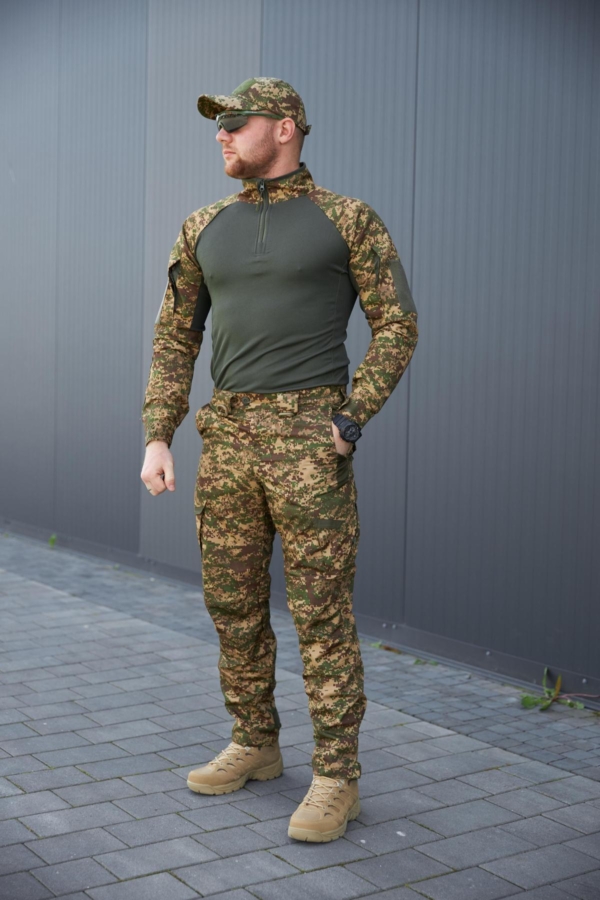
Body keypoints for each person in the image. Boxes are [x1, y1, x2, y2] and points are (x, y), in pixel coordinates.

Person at [141, 77, 418, 843]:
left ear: (286, 126)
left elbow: (397, 323)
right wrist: (159, 433)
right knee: (231, 604)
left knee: (321, 612)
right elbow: (175, 337)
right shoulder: (204, 225)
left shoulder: (346, 219)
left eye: (236, 121)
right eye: (219, 124)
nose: (222, 134)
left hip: (308, 440)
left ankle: (336, 777)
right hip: (227, 440)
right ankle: (256, 741)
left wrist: (349, 420)